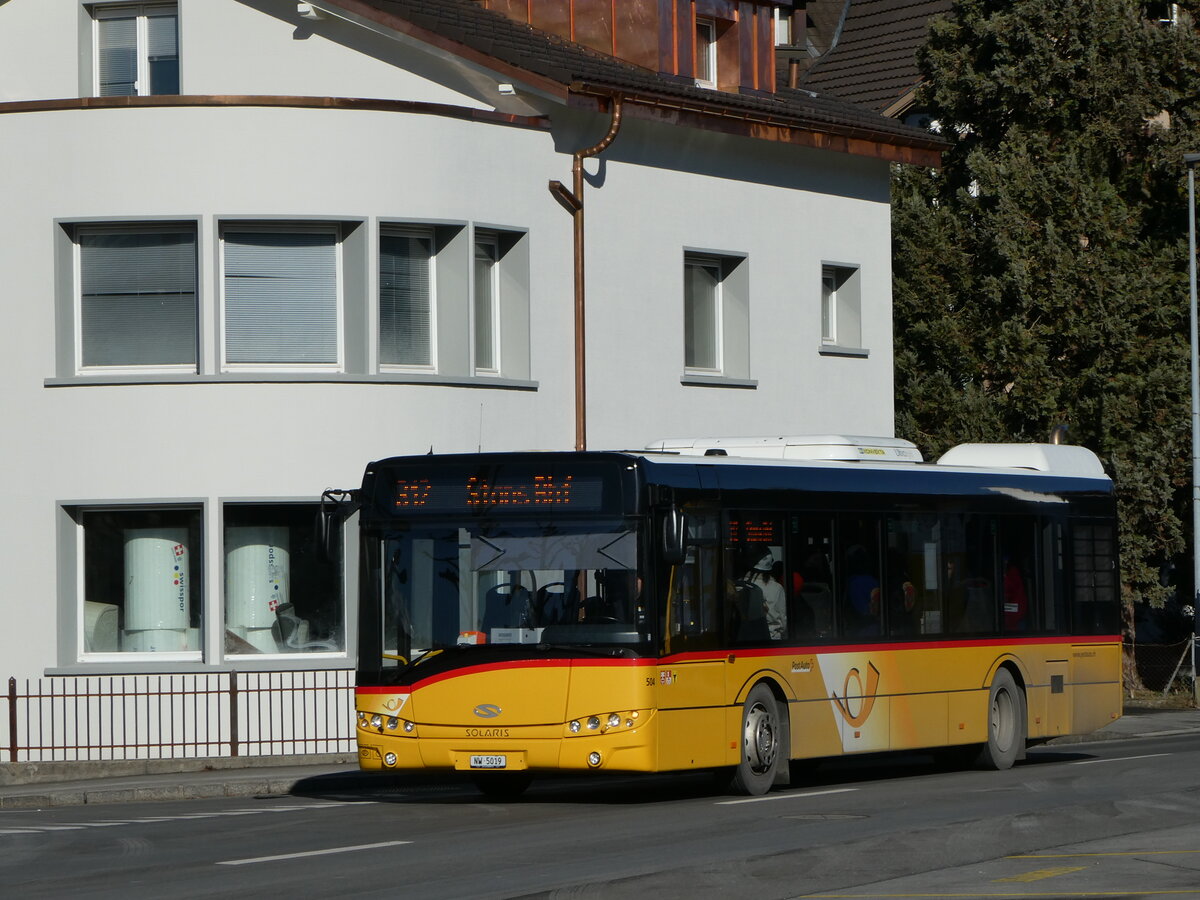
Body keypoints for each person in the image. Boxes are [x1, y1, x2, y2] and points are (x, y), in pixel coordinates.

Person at [747, 550, 787, 640]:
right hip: (771, 638)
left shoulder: (738, 584)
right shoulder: (777, 587)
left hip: (743, 638)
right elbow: (782, 619)